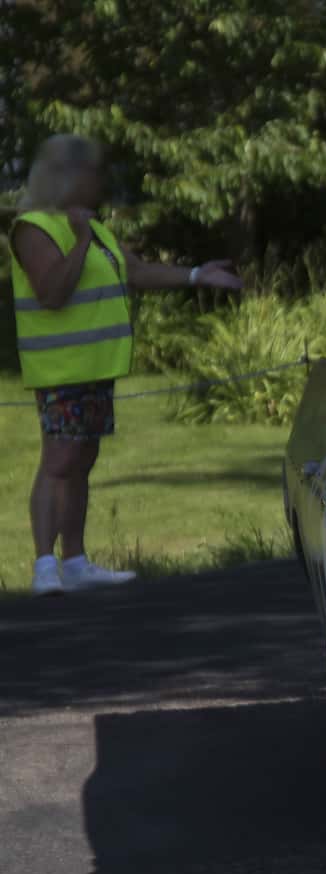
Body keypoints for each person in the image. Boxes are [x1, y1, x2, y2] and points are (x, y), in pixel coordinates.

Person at [9, 134, 243, 596]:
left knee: (82, 460)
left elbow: (134, 272)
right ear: (68, 177)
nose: (101, 184)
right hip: (62, 370)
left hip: (95, 367)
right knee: (58, 461)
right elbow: (53, 292)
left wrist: (197, 275)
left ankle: (74, 562)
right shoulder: (33, 227)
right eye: (94, 174)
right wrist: (78, 242)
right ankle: (44, 568)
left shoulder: (93, 228)